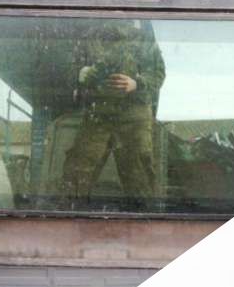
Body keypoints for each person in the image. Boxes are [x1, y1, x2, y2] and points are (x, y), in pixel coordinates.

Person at [61, 19, 166, 207]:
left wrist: (136, 83)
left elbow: (158, 73)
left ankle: (143, 218)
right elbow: (70, 68)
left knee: (139, 174)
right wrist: (81, 73)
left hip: (134, 115)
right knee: (78, 171)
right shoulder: (90, 36)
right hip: (98, 114)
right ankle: (70, 215)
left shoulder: (143, 36)